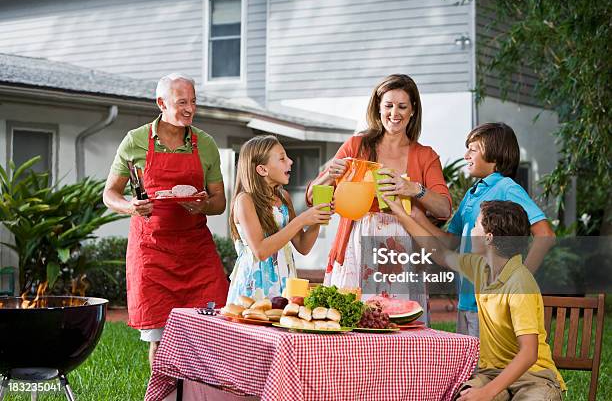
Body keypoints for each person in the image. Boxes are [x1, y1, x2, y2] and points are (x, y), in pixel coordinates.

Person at [102, 73, 229, 369]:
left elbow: (220, 202)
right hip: (152, 251)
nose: (190, 109)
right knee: (159, 336)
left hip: (196, 251)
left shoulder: (205, 144)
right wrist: (131, 206)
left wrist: (201, 206)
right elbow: (109, 194)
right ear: (161, 103)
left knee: (213, 328)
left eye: (193, 101)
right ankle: (163, 393)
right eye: (181, 102)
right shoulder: (135, 141)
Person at [382, 197, 565, 400]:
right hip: (491, 373)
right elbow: (440, 254)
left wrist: (487, 393)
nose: (469, 231)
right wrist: (401, 214)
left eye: (475, 225)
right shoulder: (479, 266)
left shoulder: (520, 283)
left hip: (534, 377)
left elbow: (529, 354)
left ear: (488, 238)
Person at [306, 74, 452, 323]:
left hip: (403, 249)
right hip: (355, 246)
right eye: (388, 105)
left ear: (413, 110)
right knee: (350, 325)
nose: (394, 113)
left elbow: (444, 208)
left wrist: (412, 188)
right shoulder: (356, 145)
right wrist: (329, 175)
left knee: (401, 329)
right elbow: (311, 197)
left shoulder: (425, 156)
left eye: (402, 106)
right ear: (378, 107)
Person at [416, 122, 555, 338]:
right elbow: (449, 243)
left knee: (489, 369)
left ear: (495, 155)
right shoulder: (472, 194)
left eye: (473, 149)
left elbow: (545, 235)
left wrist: (517, 281)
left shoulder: (507, 188)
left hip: (491, 305)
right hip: (467, 301)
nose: (465, 155)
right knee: (470, 369)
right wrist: (415, 216)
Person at [226, 135, 332, 304]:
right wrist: (302, 220)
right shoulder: (245, 200)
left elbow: (303, 246)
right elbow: (260, 251)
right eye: (282, 158)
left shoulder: (283, 198)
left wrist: (317, 217)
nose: (290, 161)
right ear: (262, 170)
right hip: (254, 287)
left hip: (284, 283)